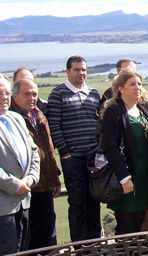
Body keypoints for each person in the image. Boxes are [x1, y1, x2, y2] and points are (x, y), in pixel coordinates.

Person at [47, 55, 101, 242]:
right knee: (77, 202)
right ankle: (80, 248)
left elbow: (98, 124)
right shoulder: (58, 94)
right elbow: (54, 126)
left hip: (93, 158)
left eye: (84, 69)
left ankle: (95, 243)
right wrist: (66, 153)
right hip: (73, 159)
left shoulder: (93, 94)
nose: (81, 73)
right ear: (68, 71)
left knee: (94, 200)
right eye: (77, 70)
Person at [99, 68, 148, 234]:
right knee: (126, 224)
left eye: (139, 84)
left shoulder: (142, 110)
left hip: (145, 178)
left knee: (139, 223)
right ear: (120, 88)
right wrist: (124, 178)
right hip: (128, 178)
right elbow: (110, 147)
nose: (137, 87)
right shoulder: (114, 111)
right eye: (132, 84)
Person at [9, 78, 59, 253]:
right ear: (14, 97)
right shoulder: (12, 119)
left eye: (34, 94)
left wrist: (55, 179)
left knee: (44, 228)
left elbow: (49, 151)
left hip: (44, 183)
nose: (31, 98)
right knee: (27, 234)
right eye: (26, 94)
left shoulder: (39, 115)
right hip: (26, 186)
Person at [0, 75, 40, 256]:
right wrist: (15, 185)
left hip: (23, 200)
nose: (4, 97)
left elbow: (33, 151)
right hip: (3, 203)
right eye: (0, 93)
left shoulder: (16, 118)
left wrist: (31, 178)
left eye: (7, 93)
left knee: (20, 253)